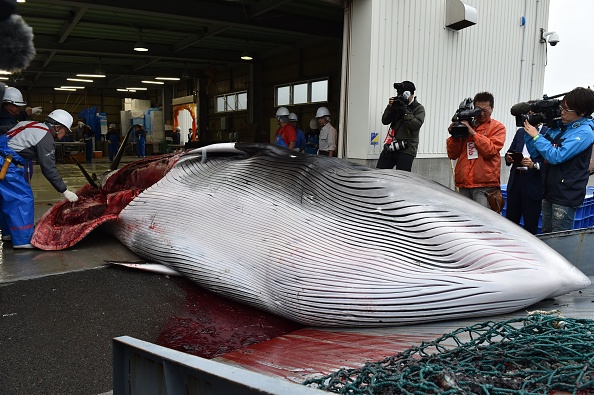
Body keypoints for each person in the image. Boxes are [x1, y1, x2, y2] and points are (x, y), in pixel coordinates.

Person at [0, 109, 79, 249]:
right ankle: (22, 240)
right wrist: (65, 190)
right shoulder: (45, 137)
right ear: (57, 127)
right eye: (65, 132)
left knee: (8, 199)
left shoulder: (29, 124)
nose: (64, 135)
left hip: (4, 160)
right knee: (22, 198)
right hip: (6, 164)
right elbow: (48, 168)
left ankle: (9, 233)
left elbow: (3, 129)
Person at [523, 87, 594, 233]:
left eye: (567, 110)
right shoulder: (560, 128)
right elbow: (536, 152)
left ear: (582, 113)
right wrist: (530, 132)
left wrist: (536, 136)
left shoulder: (584, 132)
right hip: (549, 190)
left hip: (566, 195)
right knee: (547, 235)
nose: (562, 112)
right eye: (562, 107)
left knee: (558, 240)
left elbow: (556, 156)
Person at [446, 91, 506, 211]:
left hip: (485, 187)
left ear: (492, 108)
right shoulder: (465, 125)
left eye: (486, 110)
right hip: (464, 184)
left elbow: (490, 150)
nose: (482, 114)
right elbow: (452, 154)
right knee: (464, 220)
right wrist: (455, 136)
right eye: (479, 110)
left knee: (484, 222)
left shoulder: (498, 127)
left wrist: (473, 133)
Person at [504, 122, 547, 234]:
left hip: (534, 182)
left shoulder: (547, 132)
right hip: (516, 180)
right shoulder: (521, 131)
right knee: (510, 221)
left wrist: (534, 165)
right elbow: (511, 150)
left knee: (530, 223)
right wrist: (509, 157)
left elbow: (550, 159)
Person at [376, 81, 425, 171]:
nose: (401, 96)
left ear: (411, 94)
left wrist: (405, 112)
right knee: (379, 173)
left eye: (404, 94)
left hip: (407, 149)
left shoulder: (419, 108)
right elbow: (385, 121)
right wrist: (390, 108)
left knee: (403, 178)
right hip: (391, 146)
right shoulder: (397, 104)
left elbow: (416, 125)